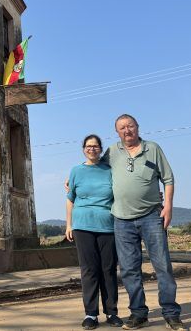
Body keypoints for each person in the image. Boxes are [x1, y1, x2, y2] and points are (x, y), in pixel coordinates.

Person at [106, 114, 186, 331]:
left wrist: (168, 206)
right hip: (121, 219)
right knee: (130, 269)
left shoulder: (153, 148)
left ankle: (171, 314)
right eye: (122, 128)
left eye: (130, 126)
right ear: (117, 132)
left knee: (163, 266)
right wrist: (72, 179)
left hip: (152, 216)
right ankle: (139, 314)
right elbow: (95, 170)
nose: (127, 130)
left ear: (137, 127)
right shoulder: (112, 152)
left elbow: (168, 179)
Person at [65, 134, 123, 330]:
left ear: (100, 149)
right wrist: (68, 224)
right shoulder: (76, 171)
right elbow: (70, 198)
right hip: (82, 226)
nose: (92, 149)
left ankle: (111, 312)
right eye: (88, 146)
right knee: (89, 271)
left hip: (107, 226)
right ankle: (91, 314)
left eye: (96, 146)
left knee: (108, 270)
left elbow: (120, 193)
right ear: (83, 149)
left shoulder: (109, 171)